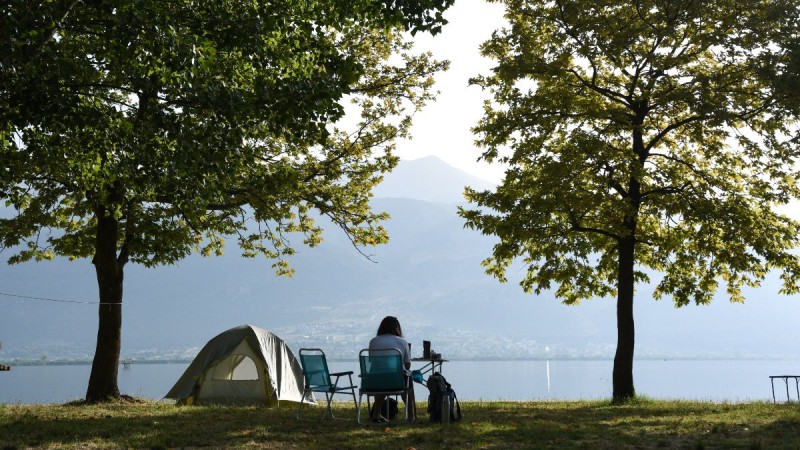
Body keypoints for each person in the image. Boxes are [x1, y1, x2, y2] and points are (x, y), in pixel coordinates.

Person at [368, 315, 415, 422]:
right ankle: (411, 416)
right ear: (397, 328)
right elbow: (407, 365)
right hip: (396, 381)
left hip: (375, 381)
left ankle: (376, 413)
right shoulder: (402, 342)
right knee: (408, 381)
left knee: (383, 377)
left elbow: (372, 361)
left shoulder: (373, 341)